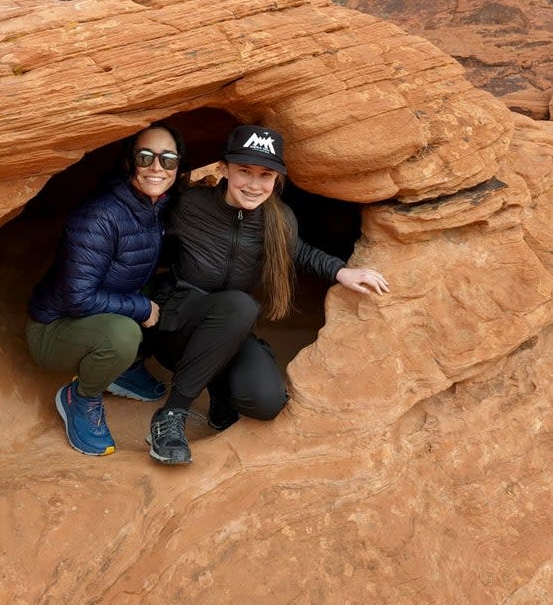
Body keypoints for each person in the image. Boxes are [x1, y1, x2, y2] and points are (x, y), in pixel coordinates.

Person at [145, 124, 389, 466]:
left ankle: (219, 390)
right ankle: (171, 416)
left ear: (277, 180)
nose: (254, 184)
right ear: (224, 168)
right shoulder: (188, 205)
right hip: (177, 326)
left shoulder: (279, 218)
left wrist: (341, 271)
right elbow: (140, 233)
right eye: (244, 171)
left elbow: (298, 252)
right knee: (240, 305)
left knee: (265, 402)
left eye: (265, 175)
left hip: (228, 330)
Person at [26, 123, 185, 456]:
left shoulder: (154, 207)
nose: (157, 167)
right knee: (124, 333)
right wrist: (141, 308)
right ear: (129, 162)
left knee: (174, 289)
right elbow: (78, 298)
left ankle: (120, 368)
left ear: (178, 166)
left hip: (94, 317)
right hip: (53, 330)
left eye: (168, 160)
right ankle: (81, 397)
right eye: (146, 157)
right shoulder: (99, 217)